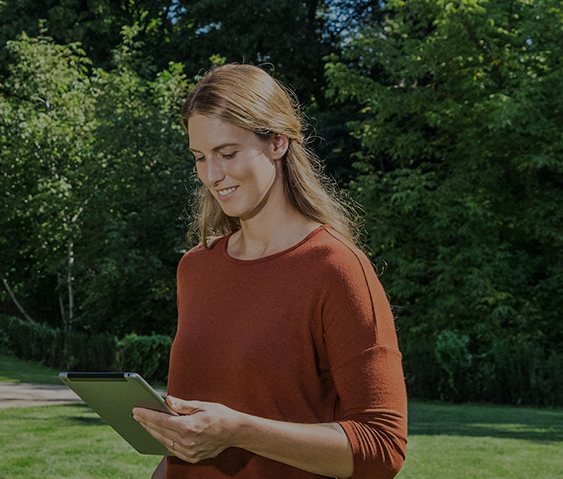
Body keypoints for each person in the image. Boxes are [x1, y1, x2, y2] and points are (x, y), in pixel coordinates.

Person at [133, 64, 407, 479]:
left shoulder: (336, 269)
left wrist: (240, 431)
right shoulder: (196, 268)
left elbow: (382, 447)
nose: (212, 175)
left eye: (227, 153)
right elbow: (198, 436)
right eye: (200, 157)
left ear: (278, 142)